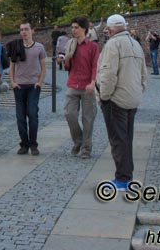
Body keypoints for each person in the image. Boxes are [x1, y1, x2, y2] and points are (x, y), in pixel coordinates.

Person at [96, 13, 148, 191]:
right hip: (132, 97)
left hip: (116, 99)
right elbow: (143, 74)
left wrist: (104, 96)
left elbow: (108, 74)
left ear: (110, 29)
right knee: (127, 138)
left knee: (118, 140)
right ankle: (127, 175)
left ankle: (123, 179)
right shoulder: (135, 44)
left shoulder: (113, 44)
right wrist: (139, 91)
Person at [63, 16, 100, 158]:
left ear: (84, 29)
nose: (73, 30)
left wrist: (92, 82)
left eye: (76, 27)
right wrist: (65, 60)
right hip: (72, 84)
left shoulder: (92, 47)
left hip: (87, 86)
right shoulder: (70, 44)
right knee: (69, 113)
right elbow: (67, 67)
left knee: (88, 118)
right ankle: (78, 140)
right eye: (72, 27)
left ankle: (86, 148)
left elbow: (95, 66)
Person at [10, 21, 47, 155]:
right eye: (21, 30)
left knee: (32, 114)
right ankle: (24, 144)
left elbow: (43, 66)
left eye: (26, 29)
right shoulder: (16, 46)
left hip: (33, 86)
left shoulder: (39, 47)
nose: (24, 32)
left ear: (32, 31)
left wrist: (40, 81)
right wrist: (12, 82)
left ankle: (33, 144)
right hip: (19, 85)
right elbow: (12, 66)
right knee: (20, 116)